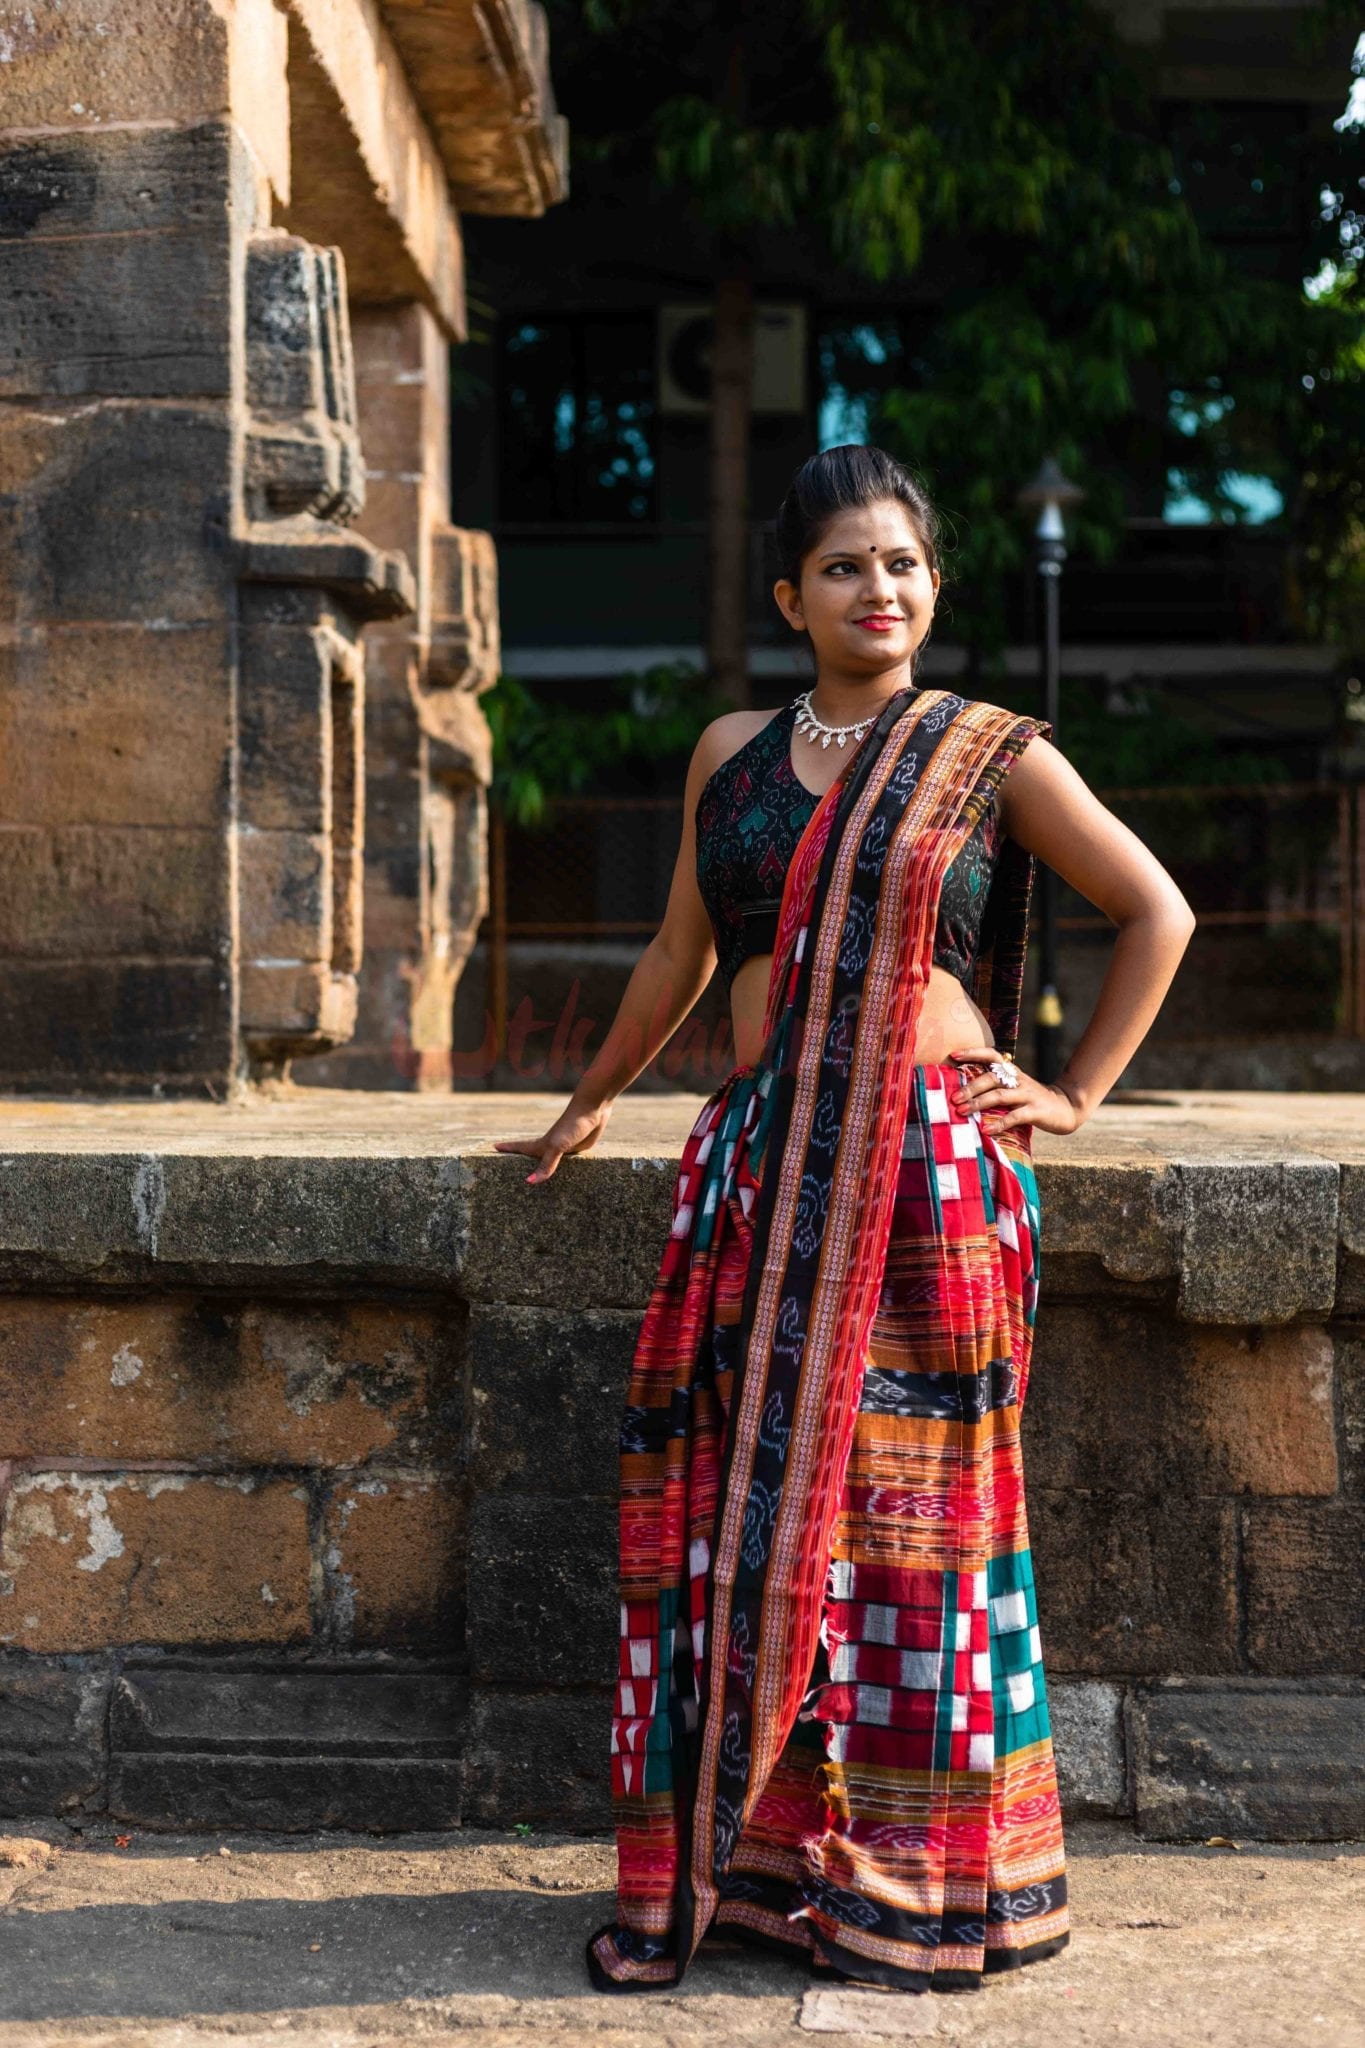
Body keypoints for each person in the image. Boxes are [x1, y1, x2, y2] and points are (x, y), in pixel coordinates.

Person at [493, 444, 1196, 1995]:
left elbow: (1157, 910)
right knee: (731, 1520)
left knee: (913, 1540)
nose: (876, 590)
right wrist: (596, 1093)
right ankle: (750, 1876)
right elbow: (682, 949)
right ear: (788, 597)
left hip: (922, 1178)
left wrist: (1071, 1094)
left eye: (901, 565)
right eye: (842, 568)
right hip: (756, 1169)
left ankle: (925, 1889)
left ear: (930, 585)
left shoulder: (987, 755)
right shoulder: (730, 754)